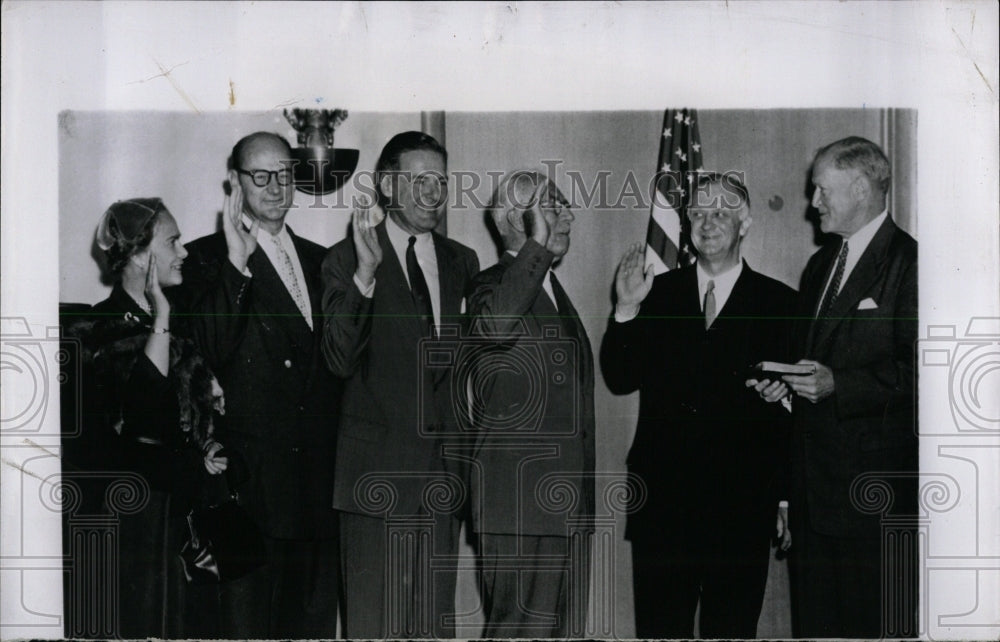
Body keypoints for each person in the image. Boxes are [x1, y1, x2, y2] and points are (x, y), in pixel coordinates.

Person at [601, 173, 795, 638]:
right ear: (686, 223)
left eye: (722, 213)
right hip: (664, 510)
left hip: (742, 509)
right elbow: (619, 376)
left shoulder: (781, 303)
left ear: (745, 224)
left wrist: (786, 496)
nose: (708, 223)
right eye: (698, 213)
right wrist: (626, 311)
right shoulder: (656, 293)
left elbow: (794, 413)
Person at [176, 132, 340, 638]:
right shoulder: (205, 259)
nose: (275, 187)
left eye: (285, 174)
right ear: (236, 183)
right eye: (260, 175)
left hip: (316, 492)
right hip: (250, 493)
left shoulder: (322, 259)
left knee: (307, 628)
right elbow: (211, 347)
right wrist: (236, 264)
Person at [321, 131, 479, 638]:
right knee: (375, 626)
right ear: (387, 186)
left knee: (433, 628)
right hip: (374, 480)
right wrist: (367, 274)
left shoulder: (463, 262)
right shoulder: (345, 260)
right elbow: (338, 360)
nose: (432, 193)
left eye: (440, 181)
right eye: (418, 180)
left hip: (441, 481)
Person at [760, 136, 918, 638]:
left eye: (822, 190)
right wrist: (787, 388)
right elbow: (814, 364)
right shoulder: (820, 265)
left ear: (861, 188)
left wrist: (838, 385)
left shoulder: (910, 263)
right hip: (813, 503)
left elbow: (926, 375)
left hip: (870, 501)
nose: (813, 203)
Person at [63, 198, 227, 638]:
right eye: (173, 241)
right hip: (136, 525)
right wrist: (162, 318)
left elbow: (180, 424)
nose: (185, 252)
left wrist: (207, 446)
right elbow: (140, 417)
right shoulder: (94, 333)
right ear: (138, 255)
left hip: (182, 520)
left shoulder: (180, 327)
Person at [465, 170, 594, 638]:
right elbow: (496, 326)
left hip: (562, 503)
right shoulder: (489, 284)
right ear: (522, 218)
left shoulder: (553, 291)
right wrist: (537, 244)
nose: (570, 216)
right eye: (556, 206)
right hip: (517, 503)